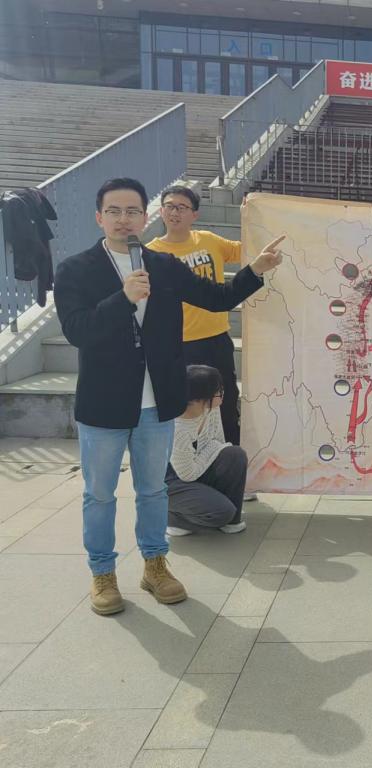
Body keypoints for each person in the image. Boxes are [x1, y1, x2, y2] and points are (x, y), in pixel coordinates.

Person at [54, 177, 284, 616]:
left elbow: (216, 298)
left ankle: (155, 566)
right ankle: (103, 573)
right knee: (99, 494)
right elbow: (78, 330)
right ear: (99, 217)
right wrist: (123, 298)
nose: (124, 219)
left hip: (156, 403)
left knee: (153, 491)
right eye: (114, 211)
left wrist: (255, 270)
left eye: (132, 211)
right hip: (104, 404)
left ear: (145, 217)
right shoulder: (76, 269)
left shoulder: (163, 265)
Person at [147, 185, 244, 447]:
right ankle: (189, 459)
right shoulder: (152, 253)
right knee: (188, 406)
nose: (174, 212)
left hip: (217, 339)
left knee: (225, 400)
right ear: (161, 211)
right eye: (169, 206)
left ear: (194, 215)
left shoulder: (209, 241)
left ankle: (229, 456)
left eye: (182, 207)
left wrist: (253, 216)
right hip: (181, 344)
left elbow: (245, 250)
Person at [166, 365, 248, 537]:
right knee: (222, 512)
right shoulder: (177, 428)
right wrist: (215, 447)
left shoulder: (211, 408)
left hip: (196, 468)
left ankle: (231, 521)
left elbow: (219, 442)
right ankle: (173, 517)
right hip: (173, 481)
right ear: (199, 399)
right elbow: (187, 474)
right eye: (218, 392)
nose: (222, 395)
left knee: (235, 455)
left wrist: (216, 448)